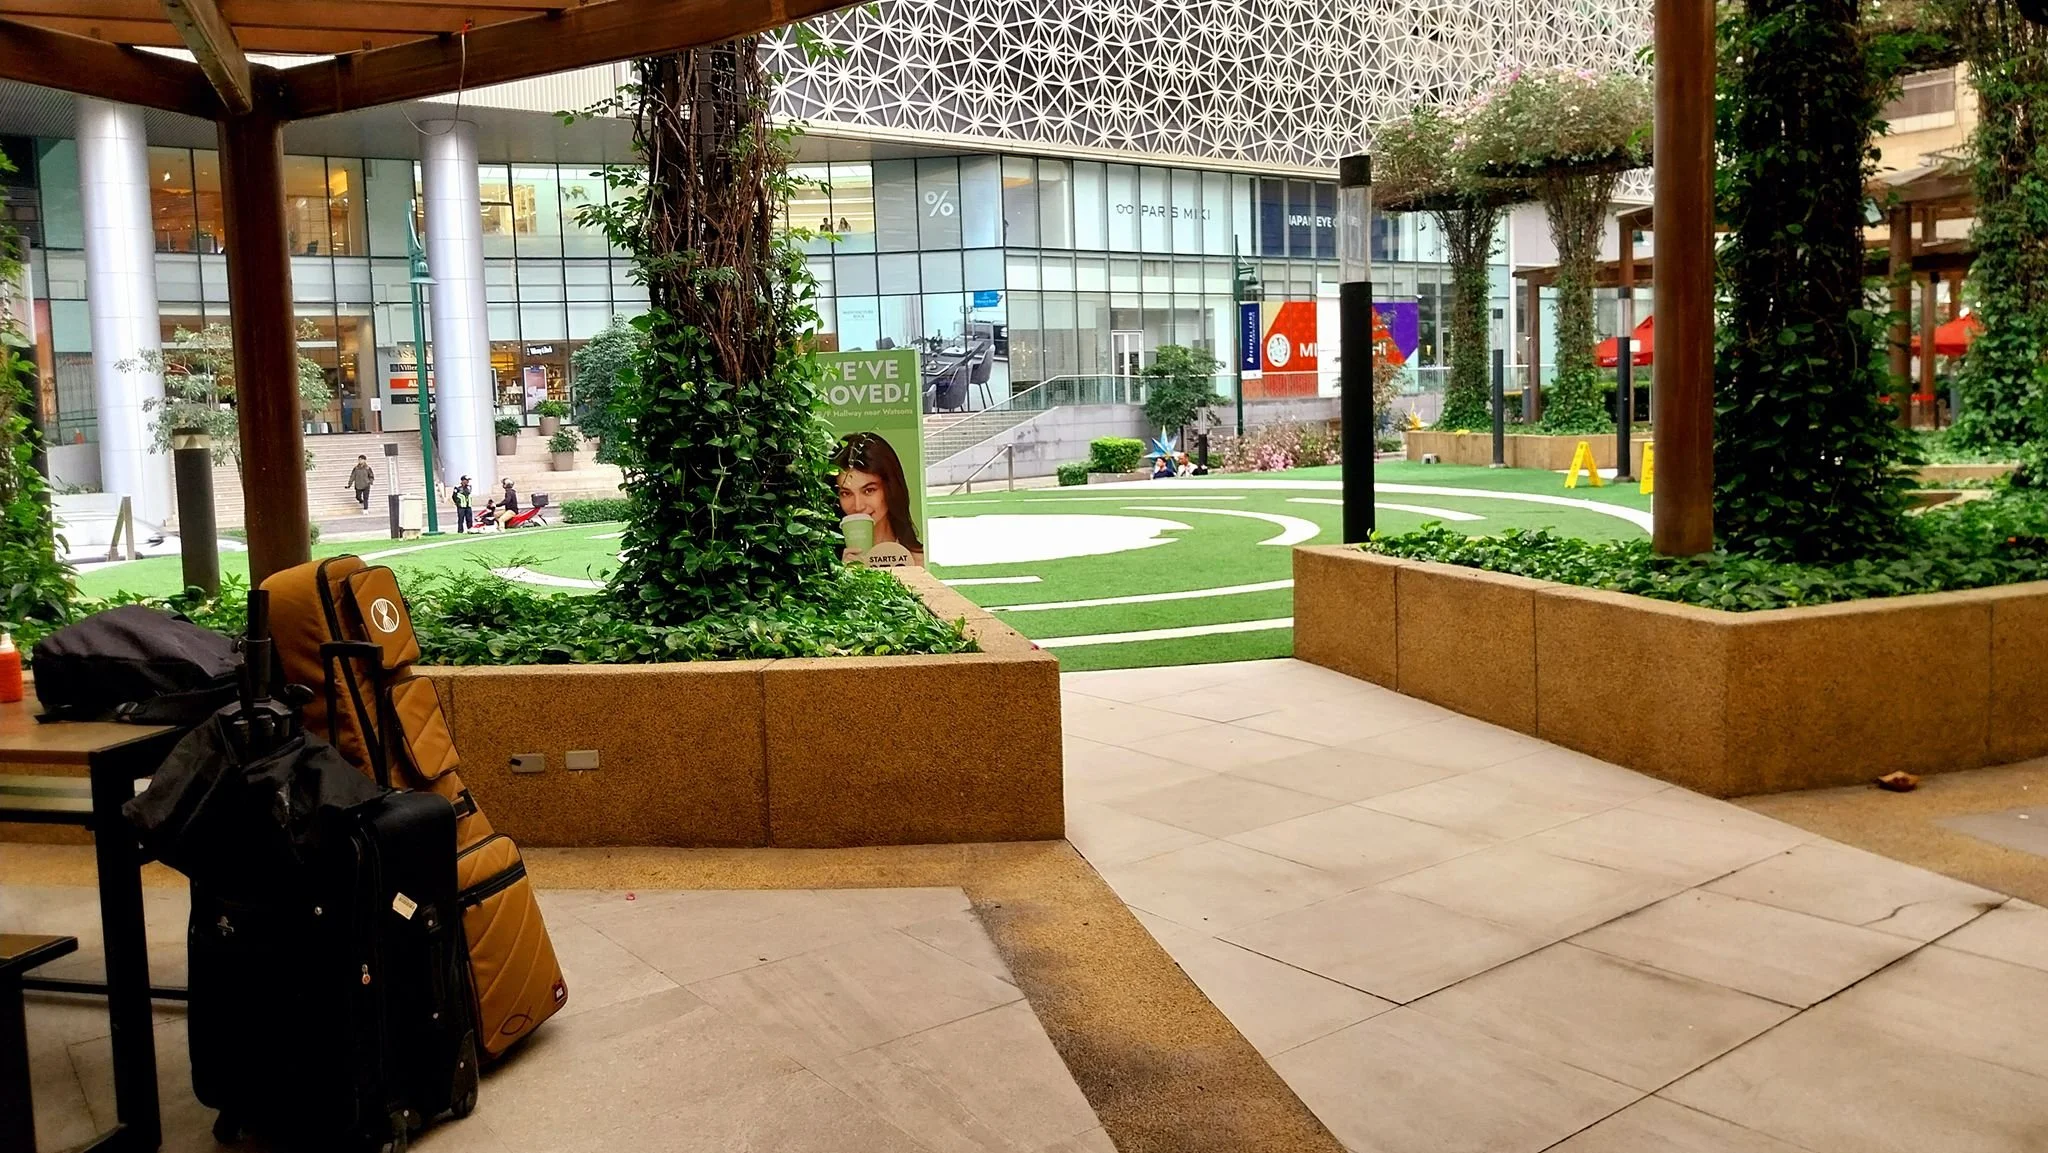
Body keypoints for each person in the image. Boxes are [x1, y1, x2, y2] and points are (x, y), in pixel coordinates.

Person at [832, 432, 923, 566]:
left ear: (890, 489)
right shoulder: (828, 565)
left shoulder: (920, 561)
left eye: (869, 490)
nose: (858, 506)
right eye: (846, 493)